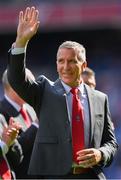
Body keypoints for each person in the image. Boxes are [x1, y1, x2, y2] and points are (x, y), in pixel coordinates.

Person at [7, 6, 118, 179]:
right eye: (61, 61)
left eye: (72, 61)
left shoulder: (100, 99)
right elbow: (16, 80)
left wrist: (101, 154)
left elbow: (111, 143)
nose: (65, 67)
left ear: (84, 65)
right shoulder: (45, 90)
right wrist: (21, 43)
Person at [0, 69, 39, 179]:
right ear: (15, 86)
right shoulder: (1, 113)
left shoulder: (32, 108)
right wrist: (36, 126)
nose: (34, 88)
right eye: (29, 83)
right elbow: (13, 153)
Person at [0, 114, 22, 179]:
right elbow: (4, 144)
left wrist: (12, 141)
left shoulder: (0, 117)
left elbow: (19, 159)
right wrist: (4, 144)